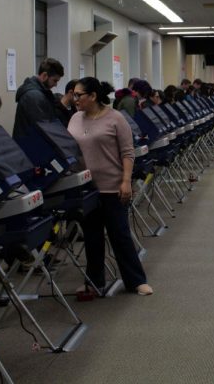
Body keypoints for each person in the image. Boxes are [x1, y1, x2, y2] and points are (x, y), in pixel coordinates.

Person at [67, 77, 153, 297]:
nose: (74, 99)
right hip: (87, 188)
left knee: (120, 235)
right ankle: (95, 281)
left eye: (78, 95)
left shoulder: (115, 118)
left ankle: (136, 281)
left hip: (113, 187)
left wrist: (126, 181)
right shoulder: (75, 119)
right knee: (92, 238)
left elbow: (128, 152)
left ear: (93, 96)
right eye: (73, 95)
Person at [13, 58, 64, 138]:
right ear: (44, 76)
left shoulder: (38, 93)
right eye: (55, 80)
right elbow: (43, 128)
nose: (56, 85)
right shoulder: (34, 96)